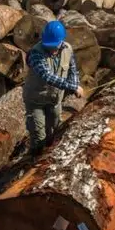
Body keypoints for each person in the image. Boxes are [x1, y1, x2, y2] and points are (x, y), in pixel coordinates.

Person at [23, 21, 84, 155]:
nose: (51, 48)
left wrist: (75, 83)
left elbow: (72, 70)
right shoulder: (36, 53)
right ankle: (33, 157)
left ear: (61, 41)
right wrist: (73, 87)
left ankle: (47, 155)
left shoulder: (68, 49)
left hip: (55, 99)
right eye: (48, 45)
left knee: (55, 131)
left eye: (53, 45)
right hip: (36, 100)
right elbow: (47, 76)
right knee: (39, 136)